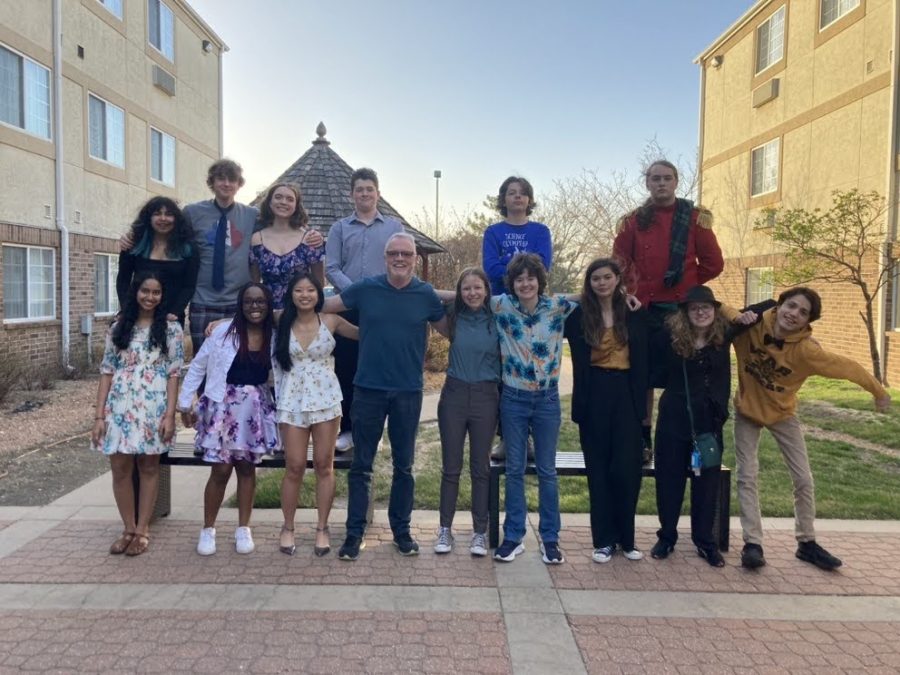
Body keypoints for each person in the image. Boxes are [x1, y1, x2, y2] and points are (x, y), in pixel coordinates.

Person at [731, 287, 891, 571]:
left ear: (808, 322)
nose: (794, 314)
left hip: (782, 414)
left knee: (803, 478)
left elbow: (848, 367)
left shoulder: (806, 351)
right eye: (791, 306)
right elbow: (722, 313)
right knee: (747, 475)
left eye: (803, 312)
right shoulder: (752, 325)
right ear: (779, 305)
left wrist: (878, 392)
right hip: (748, 411)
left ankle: (807, 542)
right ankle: (752, 543)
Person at [321, 232, 446, 561]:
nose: (400, 258)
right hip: (368, 390)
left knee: (404, 466)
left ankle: (401, 531)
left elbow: (455, 329)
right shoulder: (366, 289)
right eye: (394, 253)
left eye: (406, 253)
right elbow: (320, 304)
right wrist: (281, 306)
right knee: (362, 465)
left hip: (407, 392)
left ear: (415, 258)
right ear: (385, 257)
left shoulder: (426, 295)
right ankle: (354, 533)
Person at [651, 286, 770, 567]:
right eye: (694, 308)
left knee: (707, 484)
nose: (701, 312)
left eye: (707, 307)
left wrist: (737, 314)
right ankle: (666, 536)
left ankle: (705, 541)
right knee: (669, 481)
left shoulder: (723, 335)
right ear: (685, 313)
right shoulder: (669, 338)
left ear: (715, 311)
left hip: (709, 425)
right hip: (673, 420)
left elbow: (769, 304)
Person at [613, 159, 724, 455]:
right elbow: (620, 264)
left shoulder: (695, 218)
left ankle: (687, 437)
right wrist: (633, 290)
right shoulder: (632, 222)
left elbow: (714, 263)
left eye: (666, 178)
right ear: (647, 183)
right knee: (643, 375)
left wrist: (687, 286)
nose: (661, 183)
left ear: (676, 182)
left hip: (681, 310)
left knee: (684, 375)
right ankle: (643, 438)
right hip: (644, 309)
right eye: (655, 179)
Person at [178, 283, 279, 556]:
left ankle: (243, 528)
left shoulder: (275, 335)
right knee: (220, 470)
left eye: (260, 302)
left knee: (246, 468)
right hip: (222, 407)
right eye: (249, 301)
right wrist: (184, 402)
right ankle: (208, 529)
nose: (254, 307)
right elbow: (198, 366)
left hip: (254, 411)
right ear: (240, 304)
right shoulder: (223, 332)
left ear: (268, 305)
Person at [491, 253, 577, 565]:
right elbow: (465, 292)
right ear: (511, 283)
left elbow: (591, 294)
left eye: (531, 278)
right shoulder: (500, 305)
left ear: (540, 280)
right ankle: (513, 536)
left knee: (547, 471)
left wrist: (623, 293)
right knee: (514, 469)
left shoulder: (557, 306)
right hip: (512, 399)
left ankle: (550, 538)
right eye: (519, 279)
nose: (525, 283)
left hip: (547, 400)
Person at [91, 271, 184, 557]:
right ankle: (127, 528)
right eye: (145, 291)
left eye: (156, 292)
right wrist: (99, 415)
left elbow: (173, 374)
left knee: (148, 467)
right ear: (136, 292)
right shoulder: (119, 326)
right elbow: (107, 371)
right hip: (119, 404)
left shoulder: (171, 329)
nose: (150, 297)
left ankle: (143, 529)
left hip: (152, 404)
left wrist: (170, 415)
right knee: (120, 469)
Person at [564, 259, 648, 564]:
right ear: (589, 283)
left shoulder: (634, 313)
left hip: (626, 393)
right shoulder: (579, 316)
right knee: (598, 470)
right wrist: (577, 296)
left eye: (607, 277)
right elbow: (549, 305)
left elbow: (646, 358)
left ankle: (626, 539)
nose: (601, 283)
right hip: (594, 394)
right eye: (595, 278)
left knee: (626, 470)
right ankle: (603, 540)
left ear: (617, 279)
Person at [272, 272, 358, 556]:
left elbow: (365, 333)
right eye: (299, 290)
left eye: (310, 290)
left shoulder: (330, 320)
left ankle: (322, 527)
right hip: (292, 399)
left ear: (319, 294)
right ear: (291, 294)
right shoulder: (281, 318)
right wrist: (218, 323)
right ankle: (288, 527)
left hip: (326, 399)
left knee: (324, 465)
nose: (305, 295)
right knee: (294, 465)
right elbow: (247, 316)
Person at [325, 167, 404, 452]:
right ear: (352, 195)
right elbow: (331, 267)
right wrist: (357, 293)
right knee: (346, 368)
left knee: (378, 369)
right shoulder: (339, 228)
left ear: (378, 193)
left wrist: (376, 293)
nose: (364, 193)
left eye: (369, 189)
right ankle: (347, 430)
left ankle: (373, 429)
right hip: (347, 306)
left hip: (383, 307)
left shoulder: (394, 228)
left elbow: (400, 261)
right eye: (359, 189)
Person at [432, 268, 500, 556]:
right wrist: (454, 294)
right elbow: (425, 293)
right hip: (454, 396)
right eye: (466, 289)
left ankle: (479, 532)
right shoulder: (452, 317)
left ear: (487, 289)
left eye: (477, 287)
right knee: (451, 467)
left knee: (480, 468)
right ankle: (445, 529)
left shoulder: (498, 317)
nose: (472, 293)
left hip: (487, 396)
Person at [116, 196, 199, 325]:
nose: (163, 218)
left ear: (176, 219)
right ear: (148, 217)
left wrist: (175, 311)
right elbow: (123, 280)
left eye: (169, 214)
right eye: (157, 214)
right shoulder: (133, 245)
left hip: (171, 318)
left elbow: (189, 286)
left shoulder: (189, 249)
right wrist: (126, 309)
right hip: (136, 315)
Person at [249, 183, 325, 310]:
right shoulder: (257, 240)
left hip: (302, 312)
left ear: (296, 206)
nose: (284, 202)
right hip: (268, 313)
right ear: (269, 202)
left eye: (290, 199)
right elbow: (254, 284)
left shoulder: (310, 239)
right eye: (278, 197)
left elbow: (319, 283)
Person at [482, 176, 552, 295]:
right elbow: (491, 270)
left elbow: (542, 267)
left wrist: (505, 263)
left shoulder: (541, 231)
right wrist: (527, 271)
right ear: (503, 201)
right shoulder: (492, 232)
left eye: (523, 193)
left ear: (529, 200)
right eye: (512, 193)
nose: (518, 196)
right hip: (500, 303)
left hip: (533, 301)